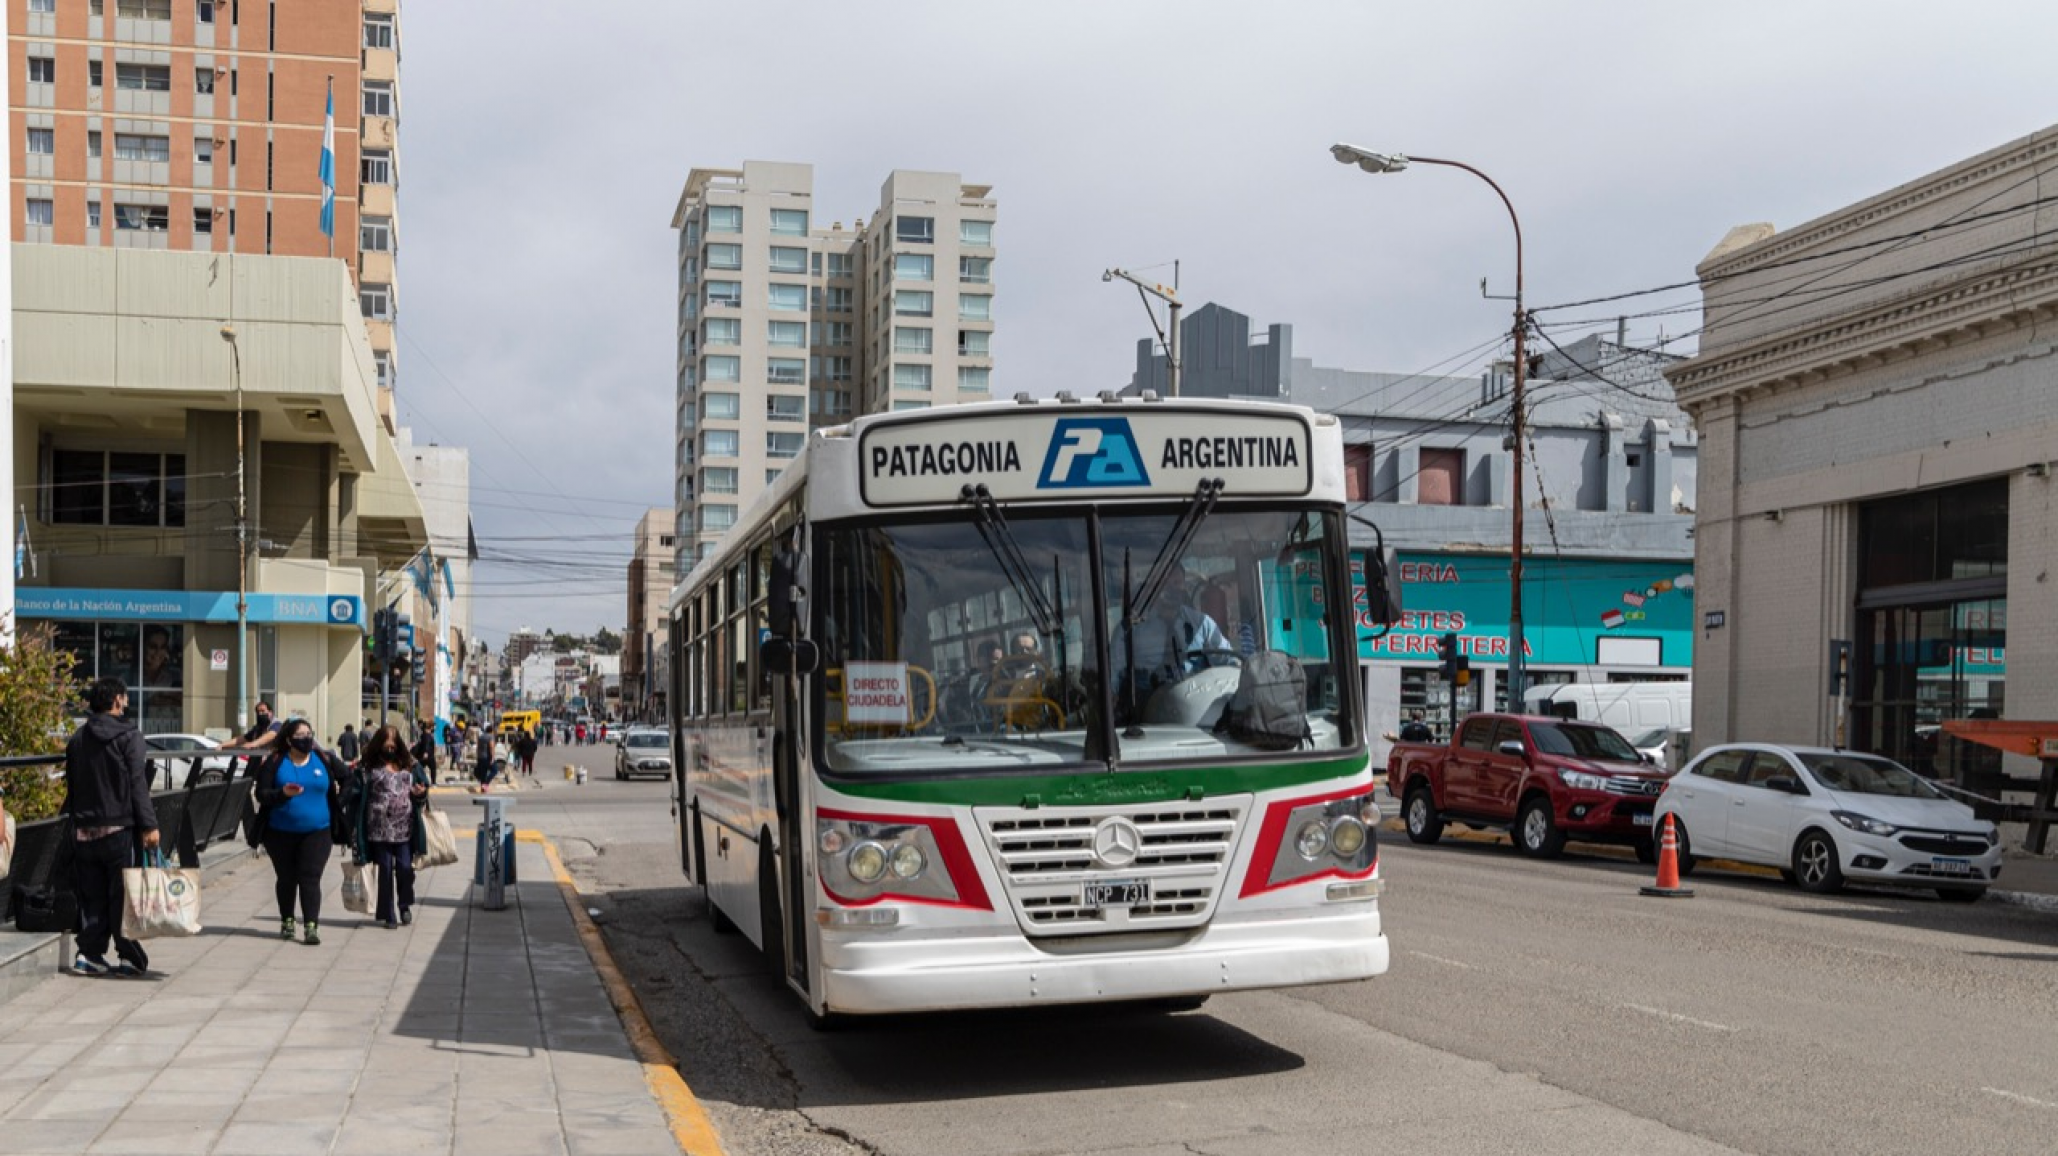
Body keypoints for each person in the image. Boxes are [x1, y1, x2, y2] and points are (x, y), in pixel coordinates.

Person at [61, 677, 160, 977]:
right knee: (123, 896)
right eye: (126, 697)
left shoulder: (78, 738)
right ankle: (128, 956)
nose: (127, 701)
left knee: (92, 896)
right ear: (117, 700)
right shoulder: (130, 736)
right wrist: (149, 825)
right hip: (119, 829)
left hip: (85, 829)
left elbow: (73, 784)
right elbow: (136, 784)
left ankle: (89, 954)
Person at [252, 717, 342, 945]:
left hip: (318, 831)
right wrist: (282, 794)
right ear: (290, 740)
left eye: (309, 734)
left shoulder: (323, 758)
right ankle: (288, 920)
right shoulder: (275, 761)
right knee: (286, 878)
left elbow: (349, 779)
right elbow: (261, 794)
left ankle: (311, 926)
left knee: (310, 877)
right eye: (300, 736)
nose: (306, 740)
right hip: (279, 832)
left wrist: (339, 798)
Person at [349, 725, 428, 929]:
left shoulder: (409, 763)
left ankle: (404, 905)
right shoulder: (367, 766)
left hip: (405, 827)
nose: (390, 746)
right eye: (386, 742)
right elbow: (355, 793)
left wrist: (420, 793)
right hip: (378, 827)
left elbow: (423, 785)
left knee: (404, 867)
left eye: (393, 742)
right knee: (384, 869)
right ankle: (388, 913)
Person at [1113, 566, 1232, 692]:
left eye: (1177, 583)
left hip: (1196, 700)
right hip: (1147, 703)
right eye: (1165, 584)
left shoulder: (1201, 624)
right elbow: (1113, 673)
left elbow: (1228, 660)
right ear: (1153, 586)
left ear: (1183, 586)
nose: (1171, 589)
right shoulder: (1130, 630)